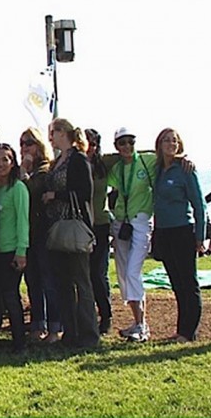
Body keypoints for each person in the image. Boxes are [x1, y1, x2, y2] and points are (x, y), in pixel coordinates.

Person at [44, 118, 99, 349]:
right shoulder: (58, 161)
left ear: (63, 133)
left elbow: (85, 191)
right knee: (63, 283)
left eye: (53, 132)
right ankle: (71, 332)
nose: (51, 137)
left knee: (82, 282)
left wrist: (56, 196)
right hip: (57, 227)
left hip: (74, 226)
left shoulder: (77, 159)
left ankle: (89, 334)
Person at [152, 128, 206, 342]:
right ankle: (181, 329)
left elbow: (199, 205)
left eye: (174, 140)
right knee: (176, 283)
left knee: (188, 283)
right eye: (166, 140)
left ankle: (188, 332)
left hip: (183, 230)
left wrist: (200, 237)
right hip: (163, 232)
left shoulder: (185, 169)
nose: (170, 144)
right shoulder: (157, 169)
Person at [108, 127, 154, 341]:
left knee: (133, 272)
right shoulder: (116, 169)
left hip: (141, 221)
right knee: (124, 275)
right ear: (116, 146)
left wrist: (183, 158)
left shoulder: (147, 161)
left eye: (130, 142)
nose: (127, 146)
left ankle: (142, 326)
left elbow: (168, 159)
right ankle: (137, 322)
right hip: (121, 224)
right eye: (122, 143)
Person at [19, 127, 61, 342]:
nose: (25, 147)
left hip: (44, 231)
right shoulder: (27, 171)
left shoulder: (45, 169)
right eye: (23, 143)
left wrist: (24, 170)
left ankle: (55, 326)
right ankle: (37, 323)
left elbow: (28, 191)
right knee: (32, 279)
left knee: (48, 280)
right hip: (28, 233)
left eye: (29, 143)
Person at [0, 143, 29, 353]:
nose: (1, 163)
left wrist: (21, 251)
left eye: (6, 159)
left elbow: (23, 221)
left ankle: (19, 341)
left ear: (13, 162)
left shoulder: (18, 188)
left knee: (11, 296)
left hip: (11, 251)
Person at [83, 128, 113, 335]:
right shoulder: (73, 163)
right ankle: (87, 315)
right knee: (82, 274)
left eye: (93, 144)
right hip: (80, 224)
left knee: (97, 273)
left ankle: (106, 314)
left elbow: (134, 155)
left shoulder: (105, 163)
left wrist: (179, 157)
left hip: (101, 224)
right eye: (86, 144)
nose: (89, 148)